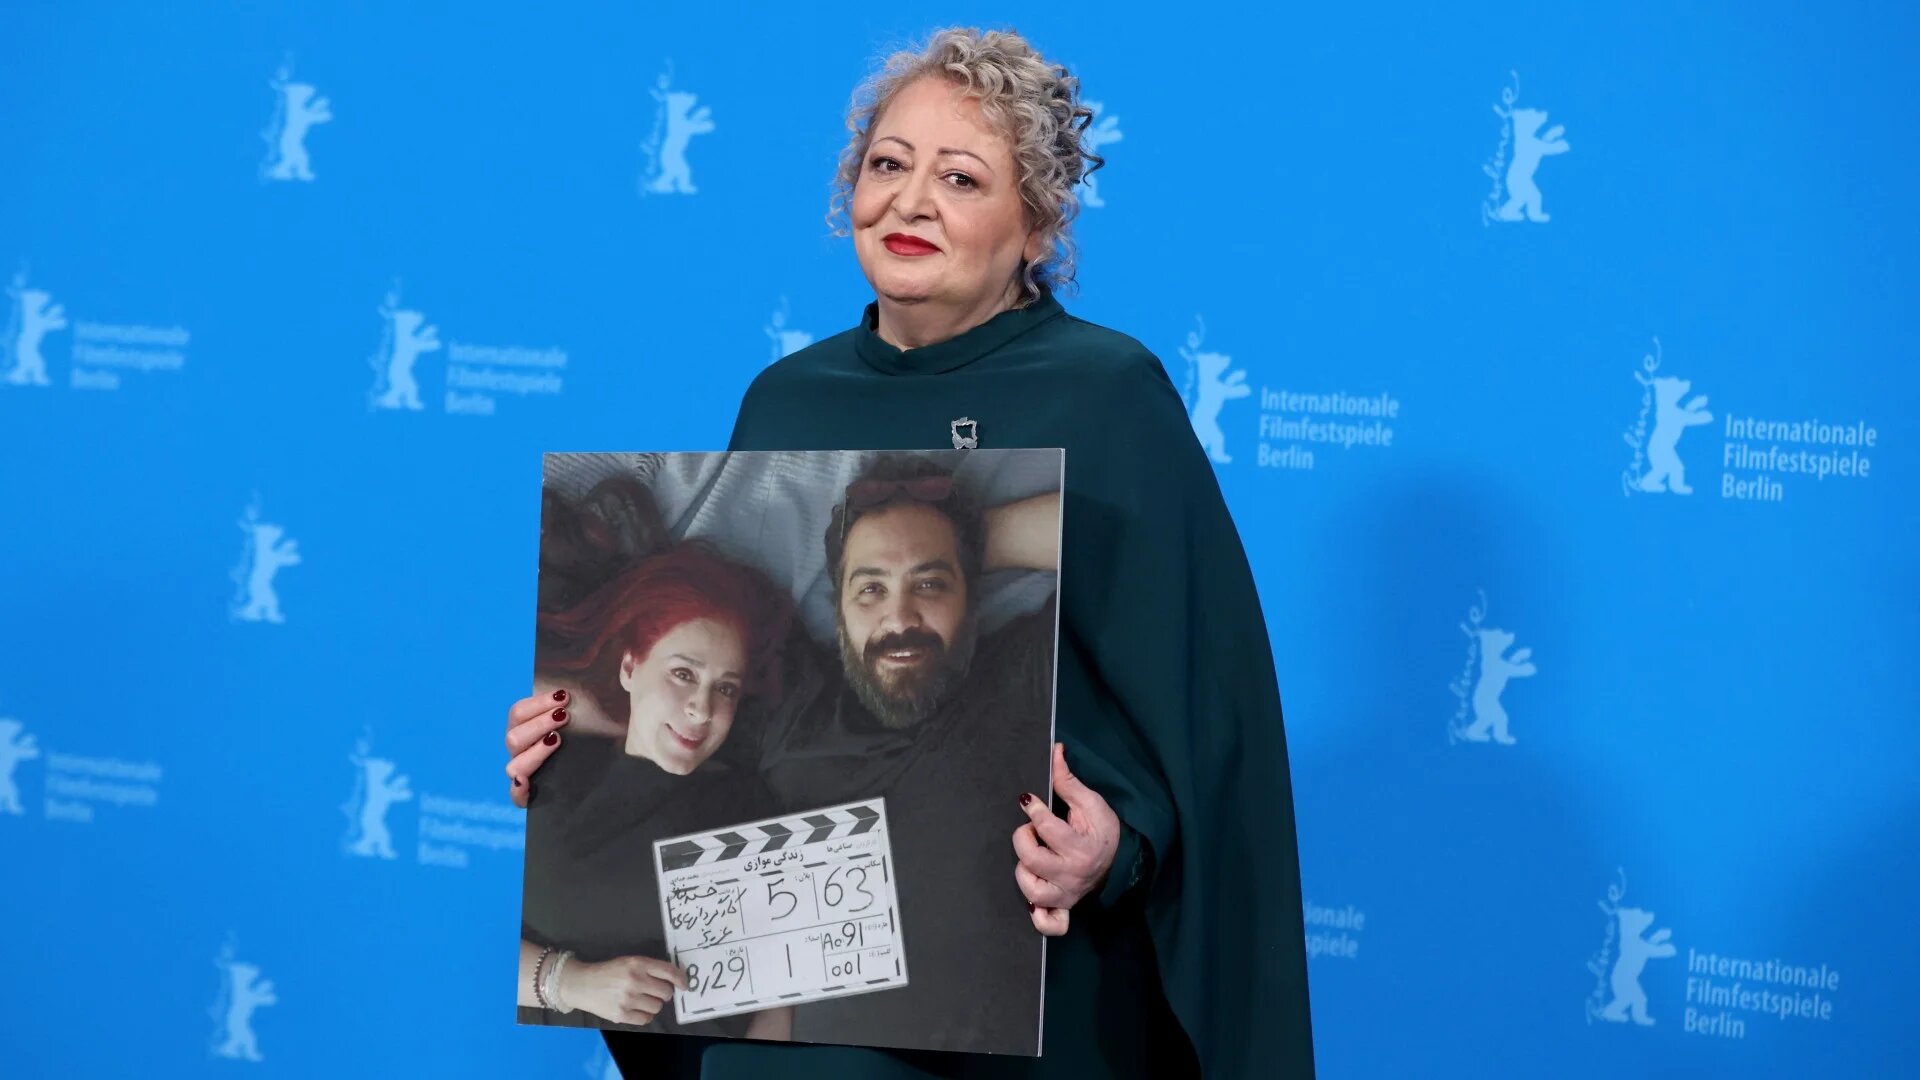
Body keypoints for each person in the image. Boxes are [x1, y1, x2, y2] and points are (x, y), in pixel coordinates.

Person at [505, 25, 1315, 1078]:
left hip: (1024, 985)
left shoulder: (1109, 396)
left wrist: (1118, 844)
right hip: (803, 993)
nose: (911, 200)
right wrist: (587, 751)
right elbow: (738, 710)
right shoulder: (787, 401)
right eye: (888, 165)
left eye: (962, 177)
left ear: (1037, 224)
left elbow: (1202, 727)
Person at [514, 499, 797, 1042]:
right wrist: (571, 981)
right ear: (629, 665)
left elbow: (776, 994)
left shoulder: (749, 805)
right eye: (682, 674)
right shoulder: (544, 767)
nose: (702, 708)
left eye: (726, 688)